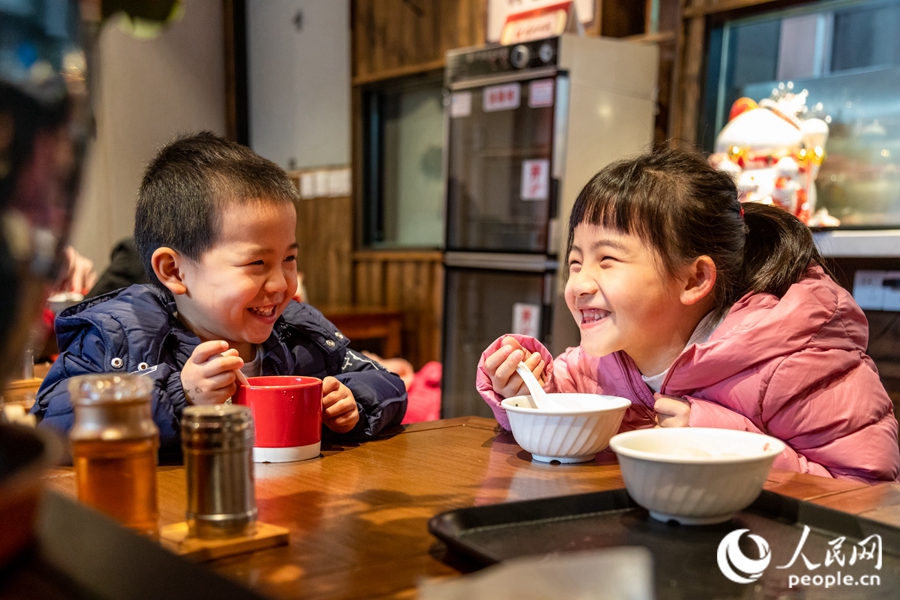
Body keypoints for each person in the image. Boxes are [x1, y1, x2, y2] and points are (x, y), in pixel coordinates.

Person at [477, 147, 900, 484]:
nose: (580, 284)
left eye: (607, 259)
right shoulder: (607, 359)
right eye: (575, 262)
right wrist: (524, 388)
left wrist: (720, 443)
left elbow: (867, 491)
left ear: (694, 279)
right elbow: (556, 406)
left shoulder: (793, 362)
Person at [32, 132, 407, 454]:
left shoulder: (298, 332)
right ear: (174, 270)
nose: (280, 284)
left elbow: (386, 381)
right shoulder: (119, 336)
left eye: (289, 258)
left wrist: (353, 400)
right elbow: (50, 418)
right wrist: (181, 394)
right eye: (257, 264)